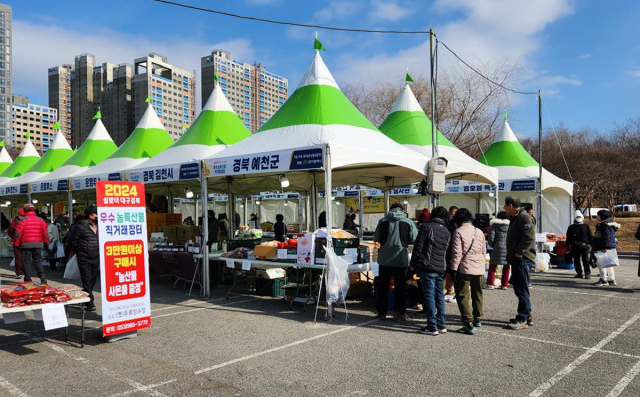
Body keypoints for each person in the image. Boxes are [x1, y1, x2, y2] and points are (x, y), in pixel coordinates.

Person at [410, 206, 451, 335]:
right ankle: (441, 324)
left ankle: (432, 326)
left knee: (429, 295)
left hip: (427, 266)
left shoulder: (426, 227)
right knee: (439, 295)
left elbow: (418, 247)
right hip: (441, 267)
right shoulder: (446, 231)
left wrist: (413, 265)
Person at [374, 203, 418, 321]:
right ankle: (399, 313)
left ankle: (382, 313)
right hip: (401, 258)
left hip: (384, 259)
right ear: (402, 210)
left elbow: (376, 238)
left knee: (383, 286)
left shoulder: (382, 221)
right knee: (400, 287)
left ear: (391, 210)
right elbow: (414, 239)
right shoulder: (408, 222)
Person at [449, 208, 486, 335]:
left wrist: (453, 269)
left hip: (464, 268)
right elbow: (483, 251)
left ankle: (468, 323)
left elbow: (456, 253)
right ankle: (478, 318)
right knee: (478, 293)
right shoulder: (479, 231)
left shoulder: (458, 232)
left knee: (463, 296)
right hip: (479, 268)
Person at [504, 196, 536, 330]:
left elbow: (529, 237)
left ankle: (523, 317)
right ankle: (526, 315)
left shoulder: (523, 217)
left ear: (510, 206)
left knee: (522, 288)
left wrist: (519, 252)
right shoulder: (516, 217)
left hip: (522, 258)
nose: (505, 209)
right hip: (517, 258)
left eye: (505, 206)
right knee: (518, 287)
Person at [68, 206, 100, 311]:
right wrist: (80, 252)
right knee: (87, 280)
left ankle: (84, 294)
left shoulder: (100, 226)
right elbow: (73, 241)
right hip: (84, 258)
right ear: (91, 215)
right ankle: (90, 303)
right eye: (96, 214)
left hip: (96, 257)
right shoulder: (81, 226)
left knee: (93, 279)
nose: (98, 216)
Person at [15, 204, 49, 284]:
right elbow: (45, 233)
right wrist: (46, 242)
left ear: (25, 211)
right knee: (37, 260)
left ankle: (28, 279)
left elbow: (18, 234)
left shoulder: (22, 220)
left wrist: (16, 244)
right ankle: (42, 276)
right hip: (38, 244)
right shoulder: (40, 220)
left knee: (26, 261)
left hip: (26, 244)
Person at [591, 209, 620, 286]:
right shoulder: (609, 224)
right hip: (610, 246)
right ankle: (612, 280)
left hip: (603, 247)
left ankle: (603, 280)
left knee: (602, 263)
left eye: (598, 215)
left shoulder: (604, 225)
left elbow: (606, 236)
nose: (596, 216)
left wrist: (604, 247)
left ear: (602, 216)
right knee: (609, 263)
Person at [486, 212, 510, 290]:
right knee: (507, 266)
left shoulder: (495, 225)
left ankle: (490, 284)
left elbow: (491, 237)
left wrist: (493, 245)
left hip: (497, 247)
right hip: (508, 248)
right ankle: (505, 285)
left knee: (493, 265)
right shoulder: (510, 225)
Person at [566, 211, 593, 279]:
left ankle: (583, 273)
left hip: (580, 246)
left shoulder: (572, 227)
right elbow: (590, 236)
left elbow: (590, 236)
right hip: (580, 246)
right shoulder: (585, 226)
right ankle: (583, 273)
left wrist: (568, 245)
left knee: (581, 260)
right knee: (581, 260)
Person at [8, 209, 26, 279]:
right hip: (18, 243)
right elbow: (10, 232)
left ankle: (22, 272)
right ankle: (19, 272)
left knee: (23, 258)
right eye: (22, 215)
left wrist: (14, 237)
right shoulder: (14, 223)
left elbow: (10, 232)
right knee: (19, 258)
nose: (22, 217)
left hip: (22, 242)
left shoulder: (14, 222)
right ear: (18, 215)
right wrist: (14, 238)